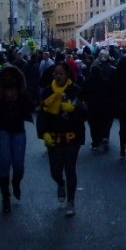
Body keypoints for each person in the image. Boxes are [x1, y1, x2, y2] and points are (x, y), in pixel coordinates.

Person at [36, 60, 87, 217]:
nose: (59, 76)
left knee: (70, 168)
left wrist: (74, 109)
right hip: (54, 137)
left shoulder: (76, 90)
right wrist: (43, 133)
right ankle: (60, 183)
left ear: (67, 75)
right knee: (55, 170)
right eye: (56, 73)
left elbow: (85, 113)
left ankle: (70, 201)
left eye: (61, 73)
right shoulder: (46, 92)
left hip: (73, 136)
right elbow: (42, 115)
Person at [0, 65, 34, 214]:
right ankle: (5, 197)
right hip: (3, 131)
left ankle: (16, 182)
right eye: (6, 77)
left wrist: (22, 97)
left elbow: (30, 107)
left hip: (18, 131)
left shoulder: (22, 93)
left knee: (18, 165)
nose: (8, 79)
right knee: (4, 162)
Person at [81, 64, 113, 152]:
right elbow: (111, 93)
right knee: (104, 123)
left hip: (92, 106)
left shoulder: (88, 82)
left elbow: (84, 95)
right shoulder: (106, 81)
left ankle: (95, 142)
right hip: (105, 106)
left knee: (93, 125)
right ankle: (104, 137)